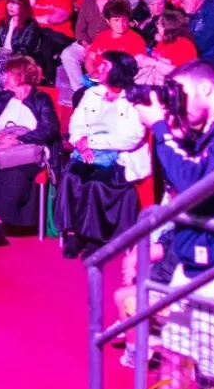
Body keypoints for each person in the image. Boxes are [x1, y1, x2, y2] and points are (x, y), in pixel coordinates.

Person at [136, 61, 214, 389]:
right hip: (188, 263)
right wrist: (176, 134)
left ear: (205, 89)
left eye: (181, 95)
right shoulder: (206, 133)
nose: (177, 103)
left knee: (210, 374)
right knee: (173, 354)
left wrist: (161, 129)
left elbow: (193, 184)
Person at [56, 51, 151, 259]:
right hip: (87, 152)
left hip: (120, 158)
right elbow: (76, 123)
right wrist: (80, 141)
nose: (99, 68)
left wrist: (91, 142)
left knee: (95, 183)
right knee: (71, 177)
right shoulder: (92, 93)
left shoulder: (135, 98)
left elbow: (131, 138)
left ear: (119, 71)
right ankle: (73, 233)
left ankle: (94, 239)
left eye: (106, 66)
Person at [0, 56, 62, 247]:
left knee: (14, 172)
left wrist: (19, 140)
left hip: (27, 152)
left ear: (21, 76)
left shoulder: (41, 99)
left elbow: (49, 128)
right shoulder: (2, 98)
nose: (4, 77)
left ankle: (0, 221)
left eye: (9, 74)